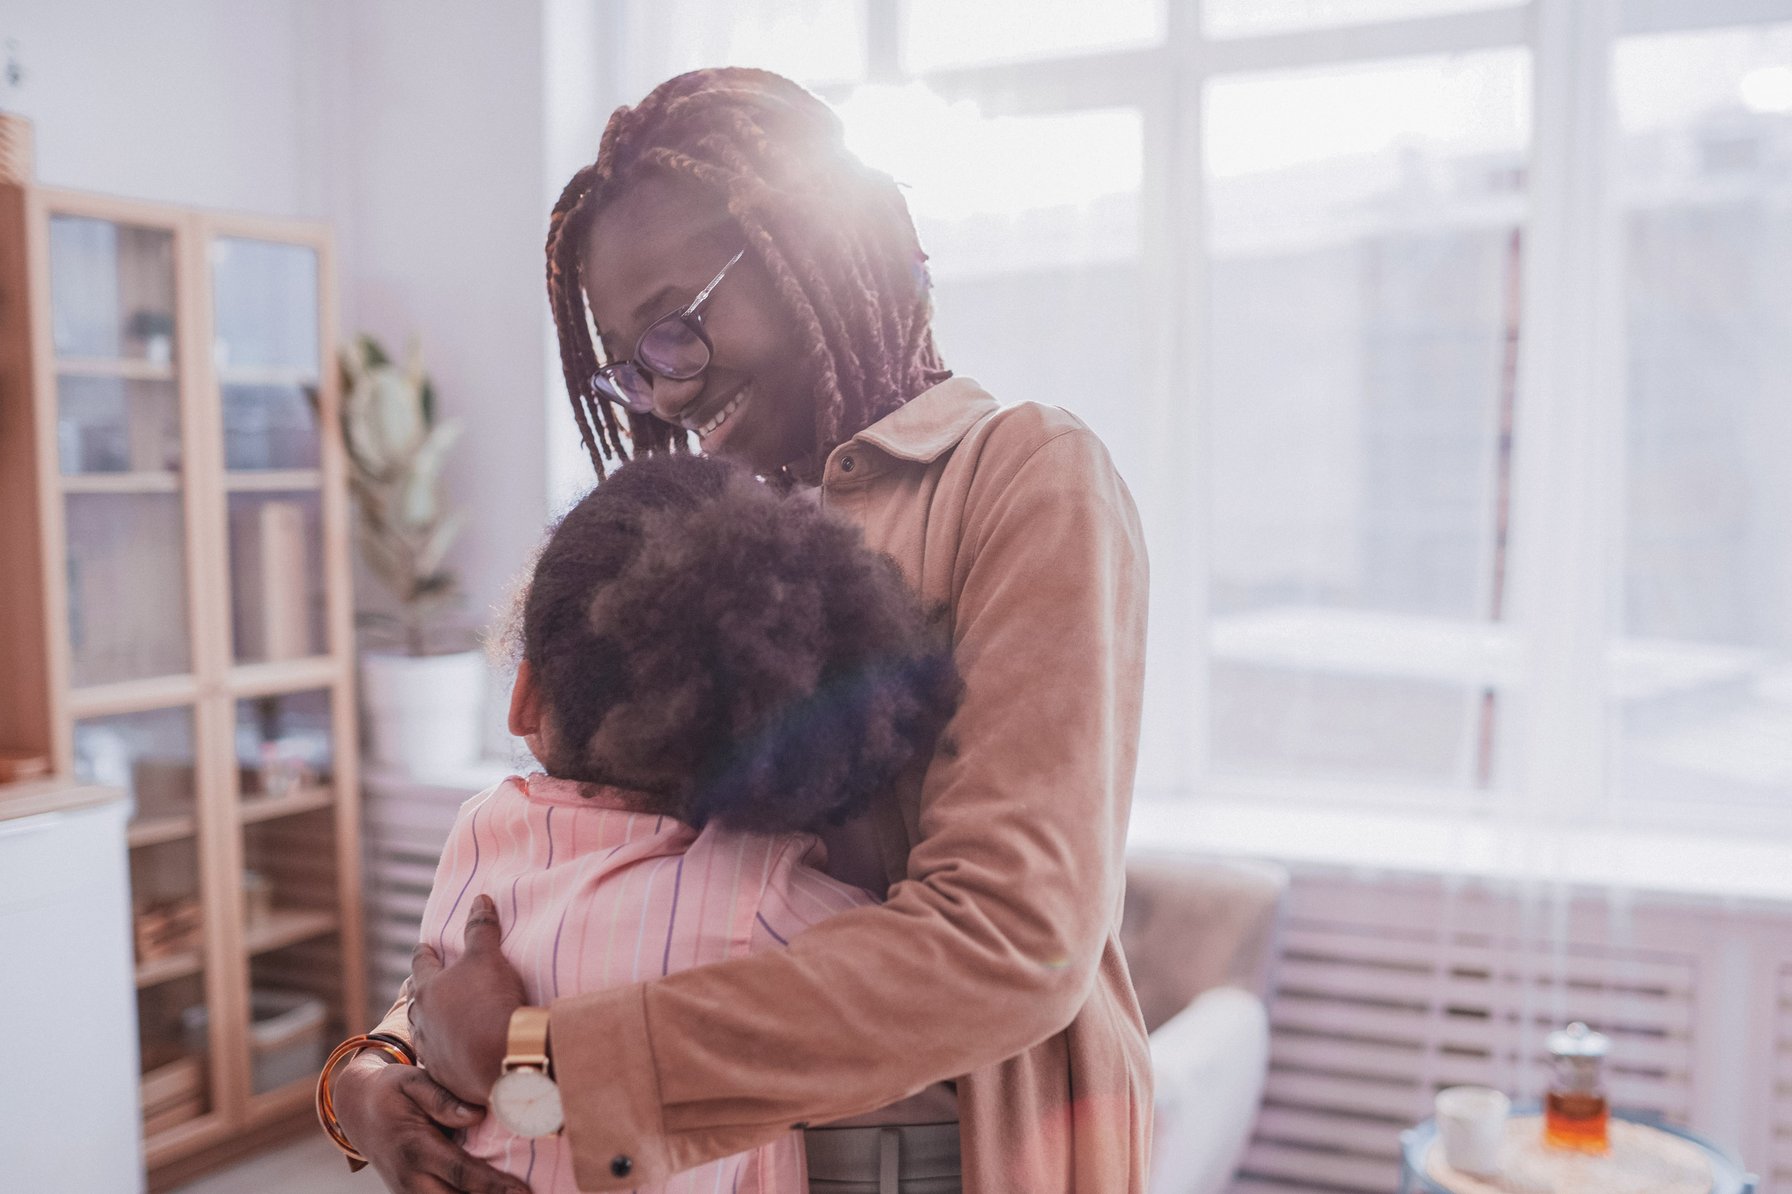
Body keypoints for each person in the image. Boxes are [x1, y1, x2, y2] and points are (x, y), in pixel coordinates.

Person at [324, 65, 1152, 1194]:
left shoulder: (1021, 475)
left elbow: (1012, 942)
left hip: (938, 1153)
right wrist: (378, 1074)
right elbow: (587, 866)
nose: (659, 396)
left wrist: (540, 1062)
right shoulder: (717, 526)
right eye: (627, 363)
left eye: (674, 327)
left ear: (812, 244)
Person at [405, 452, 962, 1194]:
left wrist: (363, 1077)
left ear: (525, 700)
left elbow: (421, 1011)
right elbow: (931, 1006)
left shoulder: (478, 831)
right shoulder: (760, 902)